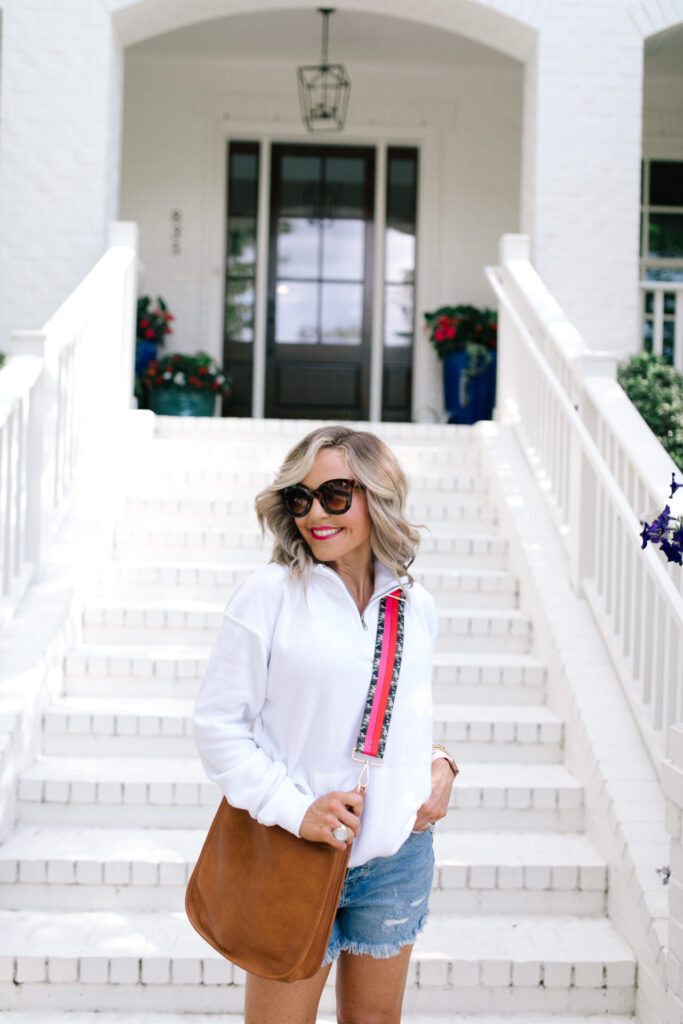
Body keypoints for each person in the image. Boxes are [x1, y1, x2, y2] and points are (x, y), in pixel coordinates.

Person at [192, 424, 458, 1024]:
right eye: (301, 498)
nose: (316, 512)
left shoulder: (415, 604)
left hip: (395, 859)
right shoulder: (270, 595)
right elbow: (217, 727)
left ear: (377, 497)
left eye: (337, 493)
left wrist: (439, 762)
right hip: (293, 852)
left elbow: (401, 712)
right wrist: (295, 808)